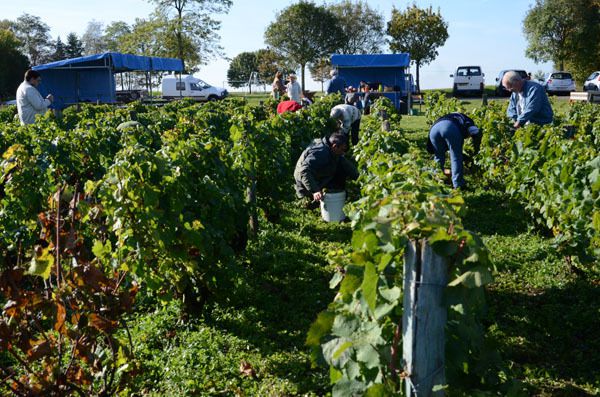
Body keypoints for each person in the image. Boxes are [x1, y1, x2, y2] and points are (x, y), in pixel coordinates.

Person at [294, 133, 358, 208]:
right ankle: (311, 204)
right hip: (303, 182)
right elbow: (304, 171)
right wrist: (315, 190)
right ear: (334, 146)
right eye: (342, 150)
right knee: (310, 205)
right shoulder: (321, 153)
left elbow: (346, 164)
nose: (343, 153)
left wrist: (359, 177)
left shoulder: (331, 149)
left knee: (341, 164)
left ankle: (335, 192)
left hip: (316, 173)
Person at [427, 112, 482, 189]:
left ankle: (436, 180)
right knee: (456, 157)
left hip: (434, 129)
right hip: (450, 128)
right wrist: (476, 149)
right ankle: (458, 184)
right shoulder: (469, 121)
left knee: (438, 157)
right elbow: (474, 131)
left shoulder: (454, 116)